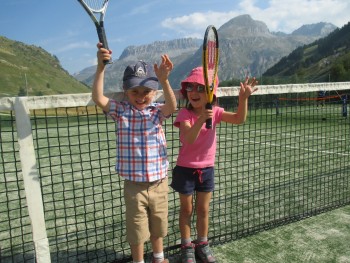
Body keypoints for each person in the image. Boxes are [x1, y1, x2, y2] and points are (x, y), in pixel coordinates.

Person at [92, 43, 177, 263]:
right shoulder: (121, 111)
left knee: (159, 225)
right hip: (133, 186)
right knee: (137, 229)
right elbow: (98, 98)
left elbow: (171, 106)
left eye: (146, 91)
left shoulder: (157, 112)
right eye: (135, 91)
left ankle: (159, 258)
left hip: (159, 183)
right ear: (125, 90)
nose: (141, 96)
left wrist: (165, 80)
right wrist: (101, 67)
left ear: (154, 92)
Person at [171, 67, 258, 263]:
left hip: (207, 169)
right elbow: (188, 139)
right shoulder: (185, 114)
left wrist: (243, 99)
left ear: (211, 93)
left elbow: (239, 119)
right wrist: (202, 118)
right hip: (185, 169)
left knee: (203, 210)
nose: (194, 92)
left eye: (200, 88)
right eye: (191, 87)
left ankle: (202, 244)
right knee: (186, 210)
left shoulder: (216, 112)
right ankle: (186, 246)